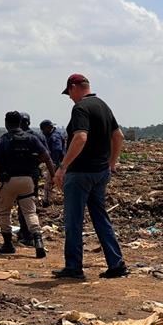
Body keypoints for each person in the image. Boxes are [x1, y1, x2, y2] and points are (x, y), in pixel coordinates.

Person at [52, 74, 128, 280]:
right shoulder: (103, 105)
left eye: (69, 93)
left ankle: (74, 267)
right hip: (100, 173)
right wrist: (112, 163)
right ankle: (116, 264)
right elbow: (118, 136)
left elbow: (80, 137)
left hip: (80, 173)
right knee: (101, 218)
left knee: (73, 220)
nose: (70, 98)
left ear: (74, 87)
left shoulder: (80, 108)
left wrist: (63, 166)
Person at [0, 111, 56, 259]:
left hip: (8, 181)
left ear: (6, 123)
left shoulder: (4, 140)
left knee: (4, 212)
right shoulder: (32, 138)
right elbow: (47, 157)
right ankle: (38, 241)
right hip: (28, 180)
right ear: (20, 123)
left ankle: (8, 244)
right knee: (30, 212)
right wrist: (53, 176)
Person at [15, 112, 51, 246]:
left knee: (24, 205)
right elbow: (46, 155)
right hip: (31, 174)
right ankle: (27, 232)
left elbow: (46, 155)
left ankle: (27, 234)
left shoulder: (17, 137)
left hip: (21, 174)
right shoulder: (36, 136)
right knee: (28, 204)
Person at [39, 119, 66, 207]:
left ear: (48, 128)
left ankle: (46, 202)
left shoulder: (54, 137)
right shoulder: (55, 134)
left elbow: (57, 150)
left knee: (49, 183)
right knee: (61, 181)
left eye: (43, 129)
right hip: (61, 163)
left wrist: (53, 165)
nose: (42, 132)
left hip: (57, 163)